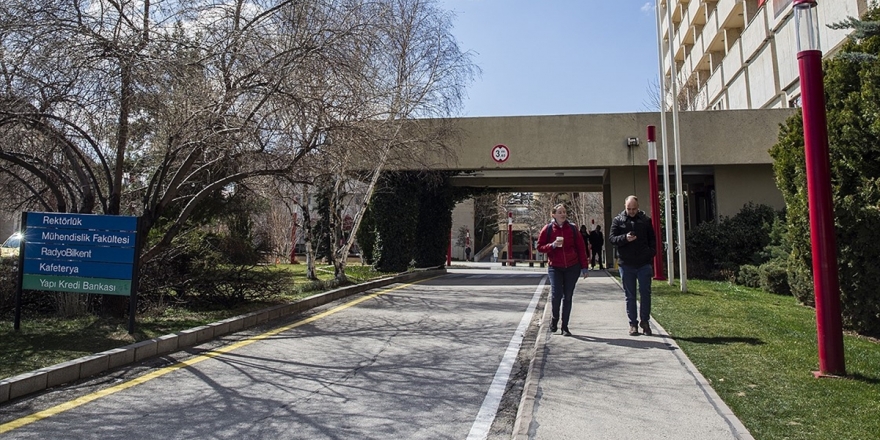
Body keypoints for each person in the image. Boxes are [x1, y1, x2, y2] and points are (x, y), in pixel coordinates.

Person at [537, 204, 590, 336]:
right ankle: (554, 320)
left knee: (568, 296)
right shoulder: (548, 229)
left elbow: (581, 248)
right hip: (555, 267)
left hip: (572, 267)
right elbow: (539, 247)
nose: (562, 214)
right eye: (560, 212)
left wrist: (584, 267)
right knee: (556, 295)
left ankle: (565, 326)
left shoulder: (572, 228)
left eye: (564, 212)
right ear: (553, 215)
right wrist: (552, 245)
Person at [609, 195, 657, 336]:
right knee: (630, 295)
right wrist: (625, 238)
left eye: (634, 209)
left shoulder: (645, 220)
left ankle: (645, 322)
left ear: (638, 206)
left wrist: (650, 253)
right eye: (629, 209)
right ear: (625, 206)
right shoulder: (618, 220)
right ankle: (633, 324)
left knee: (645, 294)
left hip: (643, 263)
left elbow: (652, 240)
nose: (631, 211)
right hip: (626, 264)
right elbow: (612, 239)